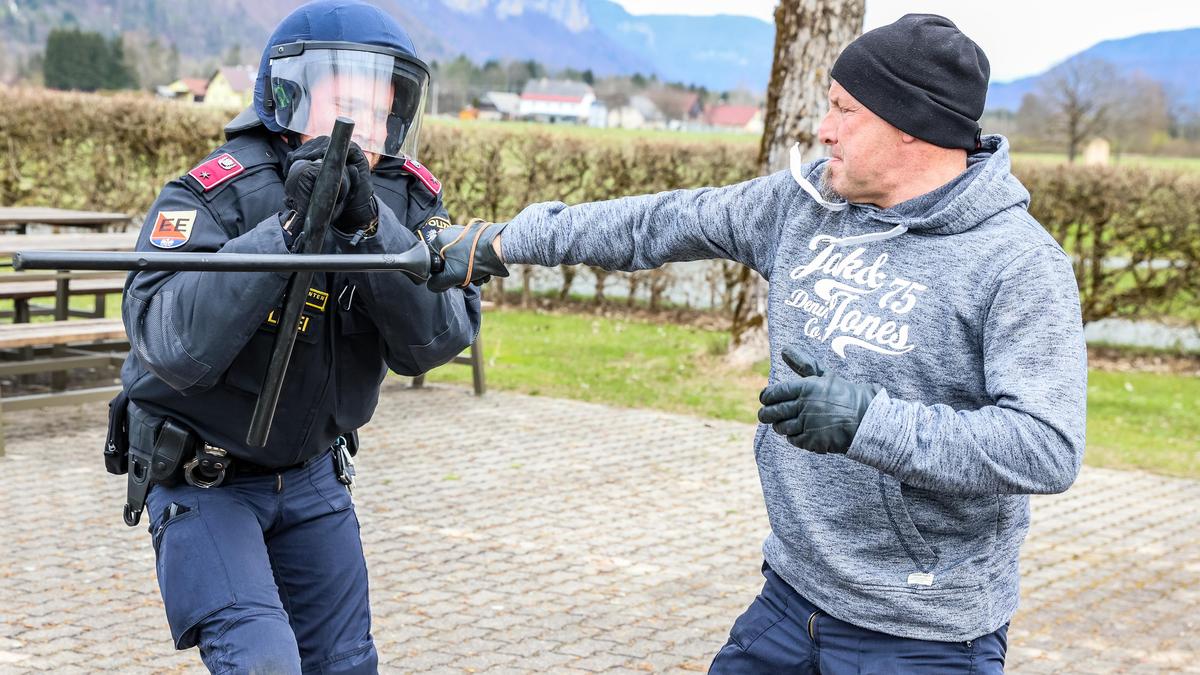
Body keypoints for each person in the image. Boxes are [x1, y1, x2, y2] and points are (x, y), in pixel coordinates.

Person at [427, 14, 1086, 673]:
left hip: (925, 634)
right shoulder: (802, 208)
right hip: (790, 601)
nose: (823, 128)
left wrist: (866, 422)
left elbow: (1046, 447)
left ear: (910, 122)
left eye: (843, 110)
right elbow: (659, 223)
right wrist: (503, 242)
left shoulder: (1017, 265)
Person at [111, 1, 480, 671]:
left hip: (313, 476)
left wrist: (371, 232)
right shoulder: (215, 194)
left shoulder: (404, 201)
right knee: (263, 660)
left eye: (381, 104)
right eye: (348, 101)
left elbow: (438, 337)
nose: (364, 124)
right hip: (205, 478)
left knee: (346, 663)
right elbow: (167, 343)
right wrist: (284, 229)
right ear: (289, 92)